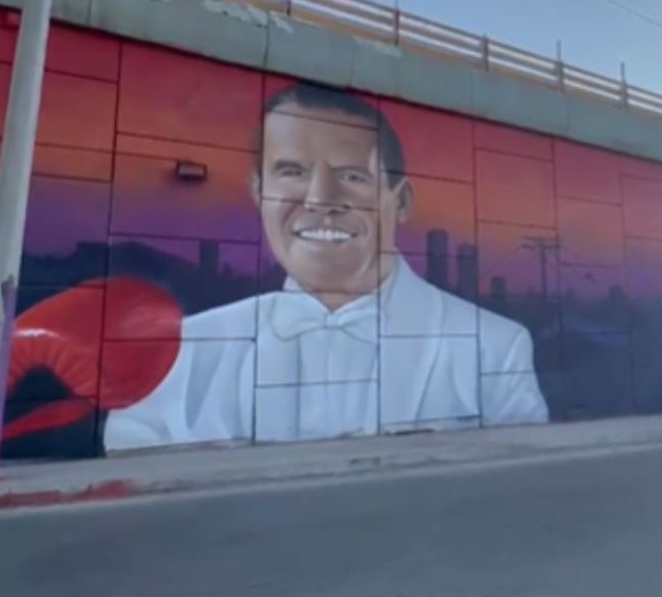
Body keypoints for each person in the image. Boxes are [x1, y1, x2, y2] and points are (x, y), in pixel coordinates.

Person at [103, 83, 548, 449]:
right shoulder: (180, 352)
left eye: (353, 176)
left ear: (402, 200)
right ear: (259, 192)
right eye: (292, 172)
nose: (319, 200)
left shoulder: (497, 347)